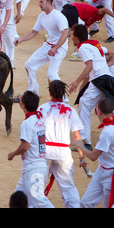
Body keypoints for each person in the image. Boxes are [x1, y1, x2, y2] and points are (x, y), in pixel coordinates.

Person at [37, 80, 84, 208]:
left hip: (44, 151)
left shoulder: (41, 109)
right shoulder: (70, 110)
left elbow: (36, 133)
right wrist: (82, 157)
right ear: (64, 93)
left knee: (37, 187)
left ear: (50, 93)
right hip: (63, 153)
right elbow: (77, 137)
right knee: (68, 187)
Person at [69, 24, 114, 150]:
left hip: (99, 79)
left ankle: (86, 142)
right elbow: (111, 53)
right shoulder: (94, 45)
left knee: (84, 102)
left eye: (72, 34)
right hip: (107, 78)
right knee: (108, 107)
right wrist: (106, 65)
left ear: (77, 37)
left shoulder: (83, 47)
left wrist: (76, 82)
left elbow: (89, 65)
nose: (70, 36)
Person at [15, 0, 69, 96]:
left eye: (41, 2)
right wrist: (21, 39)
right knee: (29, 65)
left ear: (49, 2)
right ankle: (32, 92)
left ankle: (62, 98)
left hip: (59, 47)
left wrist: (55, 48)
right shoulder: (41, 16)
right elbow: (34, 32)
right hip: (48, 46)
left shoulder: (58, 16)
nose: (39, 4)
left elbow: (65, 33)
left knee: (52, 74)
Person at [8, 90, 54, 208]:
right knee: (17, 199)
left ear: (23, 105)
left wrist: (13, 153)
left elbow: (25, 146)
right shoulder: (39, 119)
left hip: (34, 169)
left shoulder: (27, 123)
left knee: (38, 201)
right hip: (34, 167)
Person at [75, 98, 114, 208]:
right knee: (85, 203)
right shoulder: (110, 127)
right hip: (103, 169)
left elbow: (93, 156)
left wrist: (80, 145)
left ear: (99, 112)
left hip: (110, 174)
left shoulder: (107, 131)